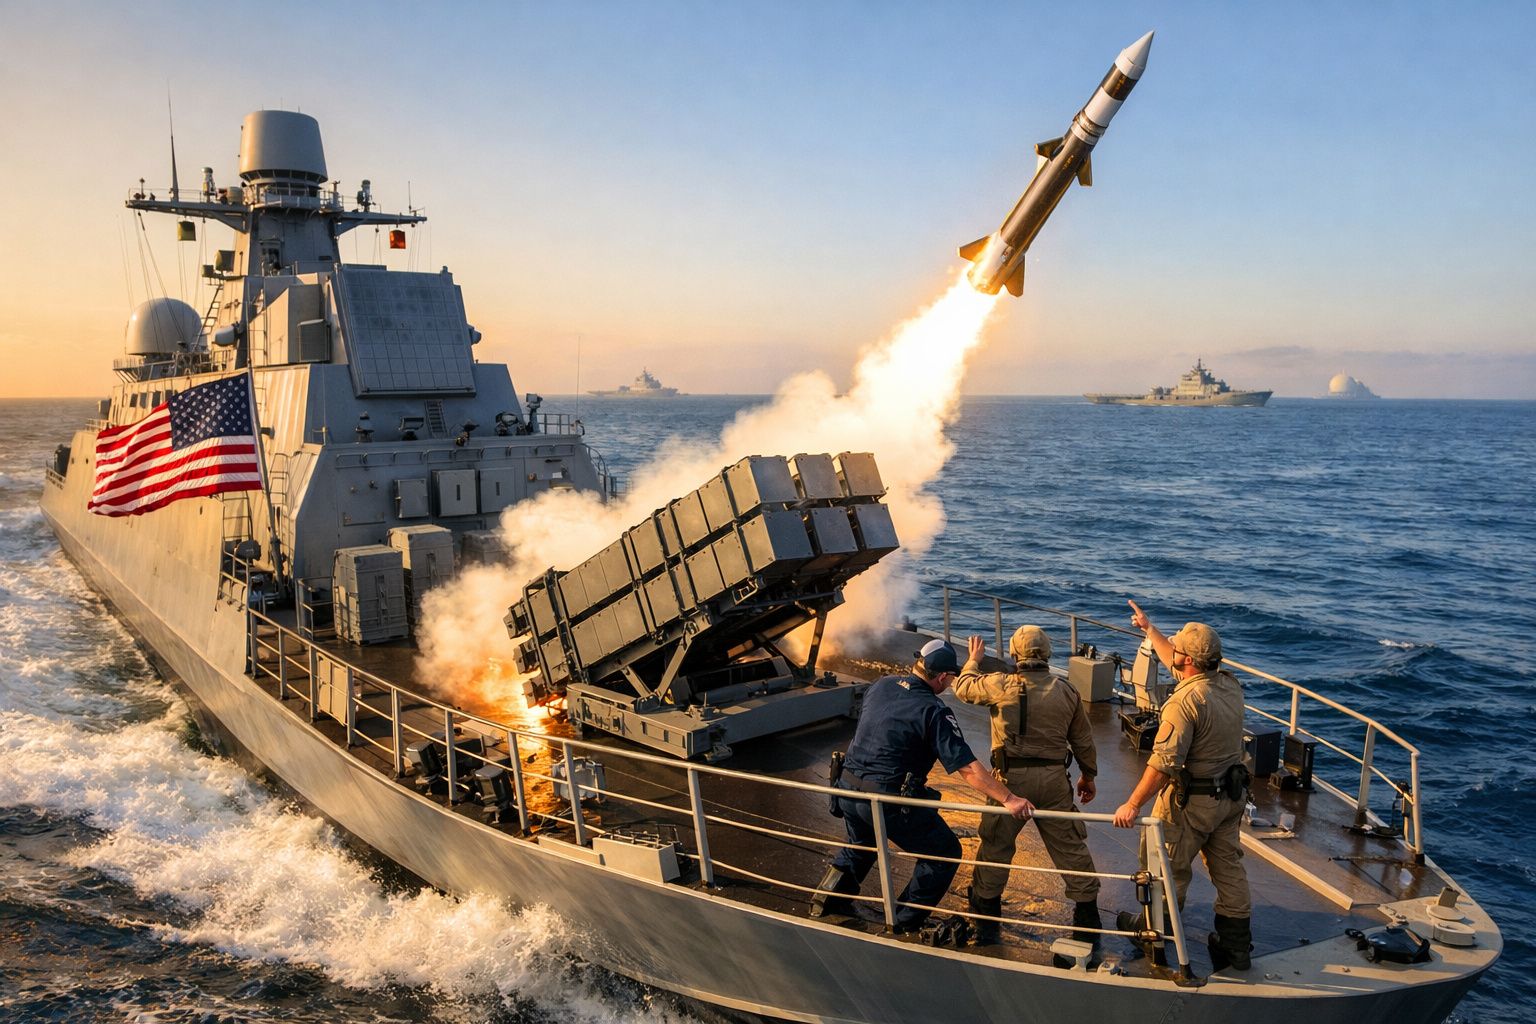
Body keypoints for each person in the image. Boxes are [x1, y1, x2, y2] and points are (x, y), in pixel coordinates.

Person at [810, 639, 1034, 932]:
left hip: (846, 789)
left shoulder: (881, 685)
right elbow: (967, 768)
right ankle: (902, 920)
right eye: (951, 677)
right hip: (884, 801)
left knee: (861, 843)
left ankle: (826, 900)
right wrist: (1009, 799)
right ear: (942, 677)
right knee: (943, 853)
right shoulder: (934, 711)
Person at [1112, 599, 1254, 971]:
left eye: (1177, 650)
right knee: (1229, 870)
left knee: (1165, 870)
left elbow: (1163, 764)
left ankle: (1152, 937)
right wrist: (1149, 629)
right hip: (1229, 797)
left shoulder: (1185, 702)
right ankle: (1236, 947)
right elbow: (1179, 662)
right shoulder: (1228, 685)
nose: (1171, 653)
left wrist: (1133, 804)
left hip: (1191, 804)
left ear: (1188, 661)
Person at [953, 628, 1102, 955]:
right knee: (1069, 845)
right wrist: (1087, 777)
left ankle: (987, 914)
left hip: (1009, 780)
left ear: (1014, 655)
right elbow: (1083, 741)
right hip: (1053, 780)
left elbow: (962, 688)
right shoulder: (1067, 691)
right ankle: (1088, 913)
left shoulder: (1001, 684)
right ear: (1047, 654)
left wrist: (973, 661)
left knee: (996, 844)